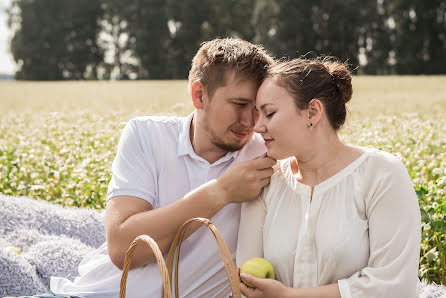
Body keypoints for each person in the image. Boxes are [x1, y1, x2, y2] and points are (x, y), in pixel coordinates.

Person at [49, 38, 276, 297]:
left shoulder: (268, 155)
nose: (250, 121)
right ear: (199, 95)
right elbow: (123, 249)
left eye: (258, 109)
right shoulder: (146, 135)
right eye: (239, 105)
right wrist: (221, 192)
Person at [236, 57, 421, 297]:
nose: (257, 126)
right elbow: (247, 282)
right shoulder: (266, 180)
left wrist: (289, 297)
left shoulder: (382, 174)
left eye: (269, 113)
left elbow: (394, 285)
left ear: (312, 112)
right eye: (257, 114)